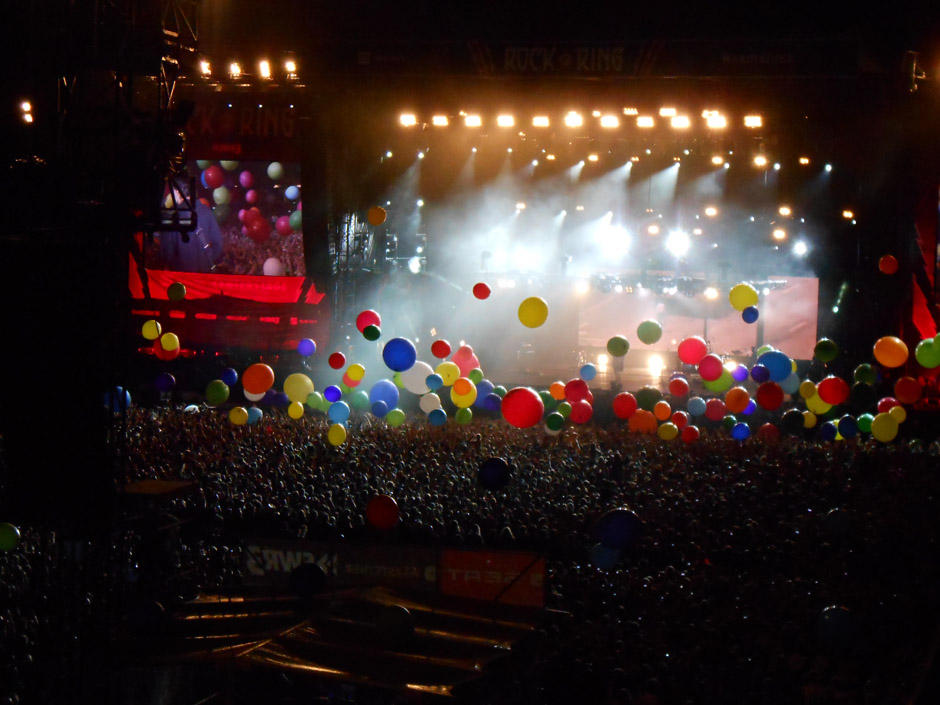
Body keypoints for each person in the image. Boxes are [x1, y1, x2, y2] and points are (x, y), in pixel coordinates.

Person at [155, 185, 223, 273]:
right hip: (205, 274)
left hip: (182, 275)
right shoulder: (206, 211)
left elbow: (167, 254)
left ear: (178, 192)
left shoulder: (171, 215)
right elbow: (218, 244)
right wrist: (206, 259)